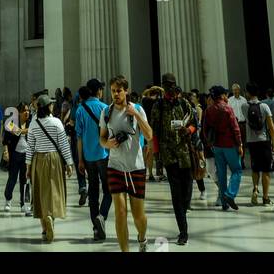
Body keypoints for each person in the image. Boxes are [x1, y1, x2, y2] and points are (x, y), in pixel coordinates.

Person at [99, 74, 153, 252]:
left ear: (126, 91)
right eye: (113, 91)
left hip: (135, 167)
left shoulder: (137, 108)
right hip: (114, 166)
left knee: (138, 216)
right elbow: (102, 138)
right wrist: (107, 144)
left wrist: (136, 114)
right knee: (120, 212)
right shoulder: (106, 112)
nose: (115, 94)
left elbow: (149, 135)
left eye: (119, 91)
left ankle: (142, 237)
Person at [150, 75, 196, 245]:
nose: (170, 87)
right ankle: (183, 231)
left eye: (173, 84)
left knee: (187, 190)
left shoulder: (184, 103)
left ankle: (183, 213)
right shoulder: (158, 106)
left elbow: (194, 123)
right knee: (176, 195)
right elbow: (154, 133)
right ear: (163, 86)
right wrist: (157, 158)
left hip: (184, 153)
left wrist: (189, 130)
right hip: (169, 155)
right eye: (167, 85)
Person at [25, 93, 73, 242]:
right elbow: (63, 144)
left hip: (38, 159)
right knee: (54, 190)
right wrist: (69, 163)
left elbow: (30, 147)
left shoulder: (33, 123)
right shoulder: (57, 122)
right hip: (54, 159)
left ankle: (44, 229)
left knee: (40, 192)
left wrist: (28, 166)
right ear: (49, 107)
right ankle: (51, 216)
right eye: (51, 103)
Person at [75, 78, 111, 241]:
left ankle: (96, 229)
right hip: (104, 155)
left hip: (88, 157)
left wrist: (80, 160)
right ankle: (101, 217)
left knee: (93, 192)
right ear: (98, 91)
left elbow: (79, 137)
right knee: (109, 190)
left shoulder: (80, 109)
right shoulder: (105, 108)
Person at [203, 85, 242, 211]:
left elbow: (205, 129)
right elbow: (235, 128)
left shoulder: (208, 110)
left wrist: (210, 143)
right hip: (229, 144)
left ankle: (224, 203)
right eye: (225, 93)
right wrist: (240, 144)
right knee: (236, 170)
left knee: (221, 173)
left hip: (217, 146)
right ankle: (230, 195)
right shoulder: (228, 109)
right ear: (222, 95)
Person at [244, 83, 274, 206]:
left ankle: (255, 188)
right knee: (266, 170)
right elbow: (271, 127)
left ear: (247, 93)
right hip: (263, 140)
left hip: (251, 142)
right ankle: (266, 197)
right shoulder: (264, 106)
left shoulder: (244, 106)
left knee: (255, 168)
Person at [3, 103, 30, 214]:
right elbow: (17, 133)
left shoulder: (30, 122)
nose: (27, 112)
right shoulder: (10, 123)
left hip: (26, 155)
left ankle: (23, 204)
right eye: (24, 110)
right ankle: (8, 200)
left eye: (28, 110)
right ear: (18, 112)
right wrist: (6, 152)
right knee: (12, 179)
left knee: (24, 180)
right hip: (14, 154)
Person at [228, 82, 248, 167]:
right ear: (232, 91)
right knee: (235, 143)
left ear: (239, 90)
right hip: (234, 124)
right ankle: (236, 161)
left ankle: (242, 161)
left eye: (237, 89)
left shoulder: (244, 100)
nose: (235, 91)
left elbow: (246, 112)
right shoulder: (229, 100)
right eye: (234, 90)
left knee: (242, 143)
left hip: (243, 124)